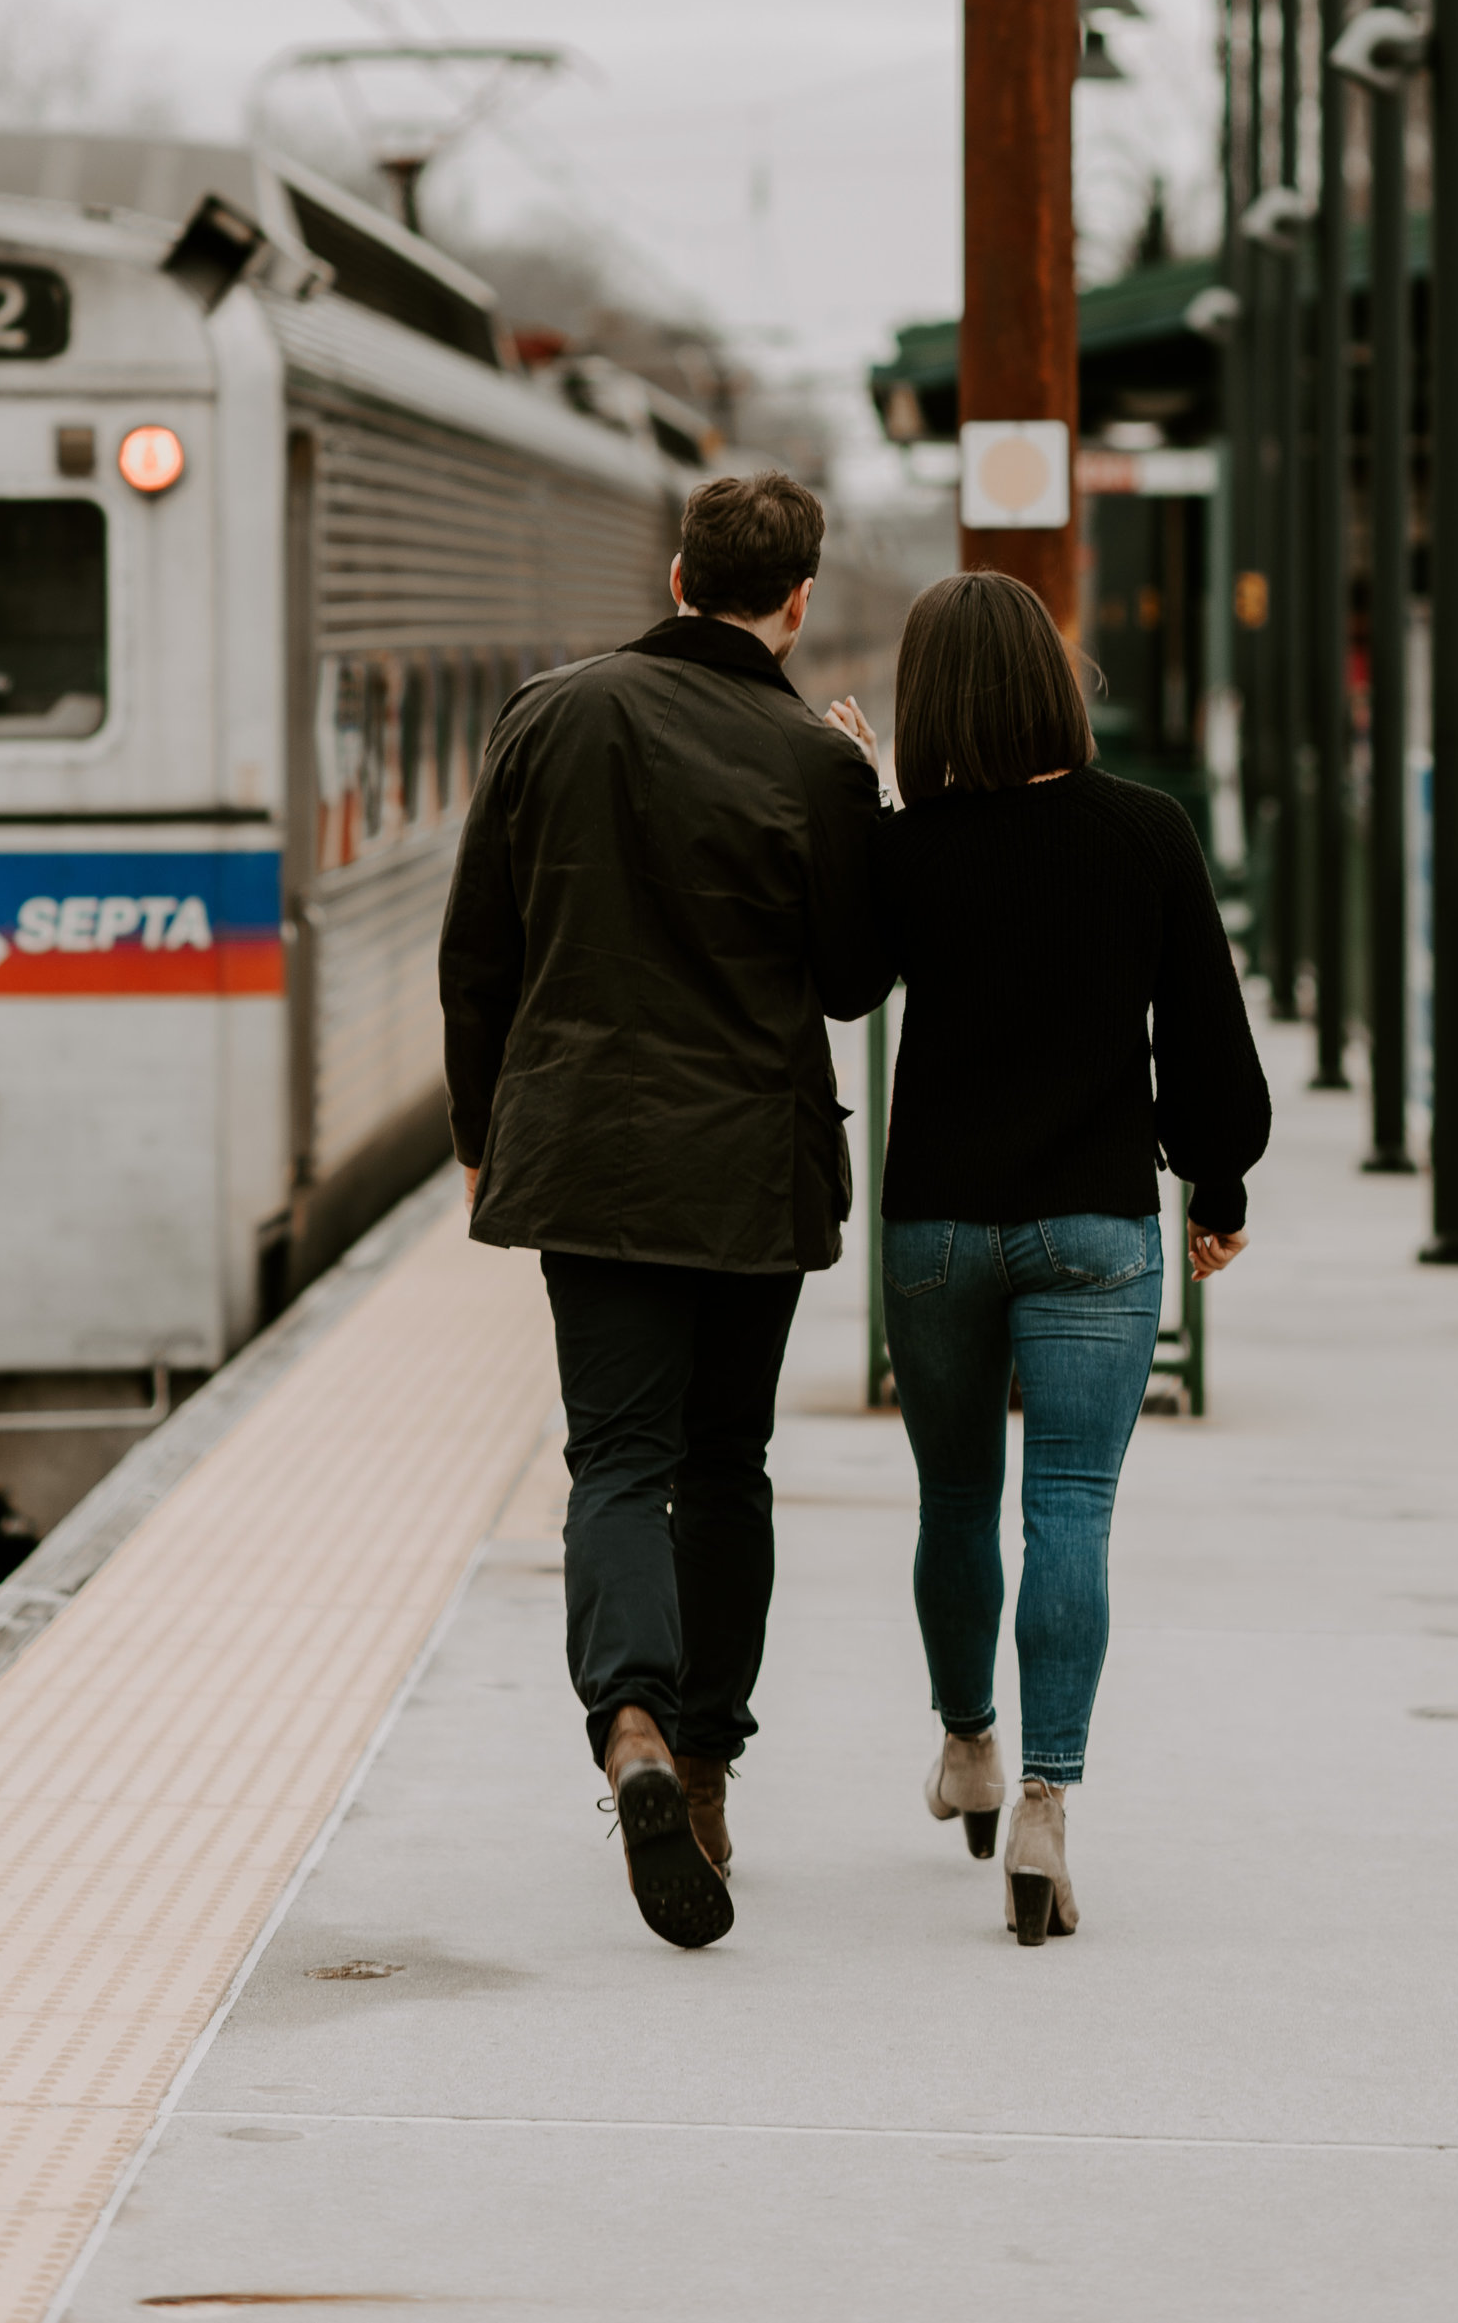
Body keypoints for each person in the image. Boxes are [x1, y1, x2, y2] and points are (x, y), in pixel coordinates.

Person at [440, 468, 887, 1951]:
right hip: (749, 1164)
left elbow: (478, 948)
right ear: (798, 598)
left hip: (591, 1152)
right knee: (726, 1464)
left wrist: (479, 1132)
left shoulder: (549, 715)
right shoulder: (809, 760)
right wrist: (866, 799)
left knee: (616, 1458)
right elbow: (850, 981)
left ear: (678, 571)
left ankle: (624, 1719)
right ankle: (700, 1773)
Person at [851, 567, 1270, 1946]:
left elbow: (845, 977)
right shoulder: (1144, 831)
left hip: (938, 1227)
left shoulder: (914, 848)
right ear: (1052, 680)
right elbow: (1210, 1039)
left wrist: (871, 820)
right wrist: (1216, 1181)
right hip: (1094, 1225)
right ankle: (1042, 1800)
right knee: (1072, 1509)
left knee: (955, 1495)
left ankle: (967, 1738)